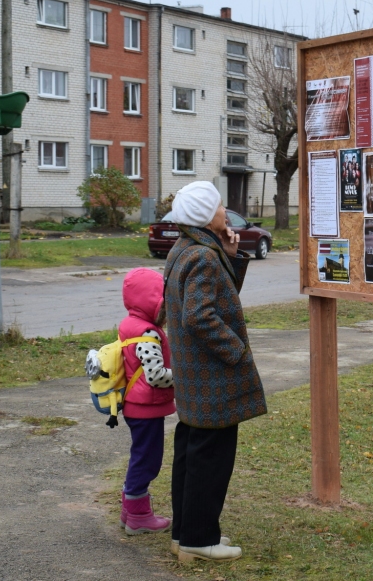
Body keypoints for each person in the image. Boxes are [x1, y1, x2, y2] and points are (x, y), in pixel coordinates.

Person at [163, 181, 267, 563]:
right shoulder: (202, 257)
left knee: (191, 452)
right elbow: (200, 314)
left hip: (192, 374)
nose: (225, 210)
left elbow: (216, 297)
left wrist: (233, 256)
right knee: (211, 457)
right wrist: (235, 350)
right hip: (210, 378)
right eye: (220, 204)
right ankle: (200, 539)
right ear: (208, 215)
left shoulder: (187, 248)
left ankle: (184, 533)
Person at [117, 267, 175, 535]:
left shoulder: (130, 324)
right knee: (147, 460)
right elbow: (155, 376)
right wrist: (183, 376)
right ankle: (139, 516)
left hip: (137, 406)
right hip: (145, 408)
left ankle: (130, 512)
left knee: (141, 456)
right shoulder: (147, 333)